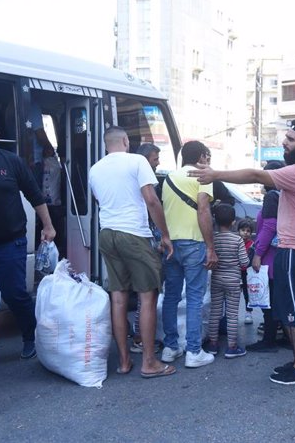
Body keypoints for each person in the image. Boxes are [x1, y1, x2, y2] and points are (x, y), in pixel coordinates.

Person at [191, 119, 295, 386]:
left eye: (290, 139)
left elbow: (256, 175)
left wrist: (215, 174)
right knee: (290, 309)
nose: (284, 143)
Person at [0, 115, 56, 371]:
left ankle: (30, 337)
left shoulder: (10, 161)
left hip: (10, 243)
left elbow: (35, 195)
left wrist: (48, 226)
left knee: (15, 294)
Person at [89, 127, 176, 378]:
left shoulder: (95, 169)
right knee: (147, 296)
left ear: (107, 145)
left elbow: (100, 202)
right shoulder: (137, 161)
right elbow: (151, 199)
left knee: (118, 298)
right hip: (133, 234)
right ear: (126, 141)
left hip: (107, 234)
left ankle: (124, 361)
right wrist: (165, 235)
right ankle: (149, 362)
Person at [161, 140, 218, 368]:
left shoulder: (168, 178)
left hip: (170, 244)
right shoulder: (203, 176)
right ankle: (194, 351)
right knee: (194, 297)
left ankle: (170, 347)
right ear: (202, 156)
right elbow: (203, 210)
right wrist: (211, 247)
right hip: (194, 243)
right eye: (207, 157)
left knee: (171, 296)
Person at [247, 160, 284, 353]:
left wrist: (258, 253)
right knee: (279, 298)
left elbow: (269, 227)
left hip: (270, 254)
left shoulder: (272, 196)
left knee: (268, 298)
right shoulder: (286, 193)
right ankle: (284, 337)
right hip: (283, 254)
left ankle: (269, 340)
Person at [205, 204, 250, 358]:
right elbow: (244, 262)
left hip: (216, 280)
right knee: (231, 314)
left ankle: (213, 344)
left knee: (215, 313)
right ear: (233, 222)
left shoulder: (212, 239)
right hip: (233, 282)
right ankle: (232, 347)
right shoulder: (237, 240)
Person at [130, 143, 162, 354]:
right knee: (147, 291)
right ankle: (141, 338)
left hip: (126, 237)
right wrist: (164, 235)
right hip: (145, 238)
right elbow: (152, 204)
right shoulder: (146, 182)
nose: (158, 162)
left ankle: (137, 336)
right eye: (154, 158)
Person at [238, 219, 255, 325]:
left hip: (247, 273)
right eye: (243, 230)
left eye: (248, 231)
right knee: (234, 294)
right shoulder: (236, 242)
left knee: (247, 293)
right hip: (236, 272)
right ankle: (232, 314)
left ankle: (248, 312)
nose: (245, 232)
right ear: (238, 231)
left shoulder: (252, 245)